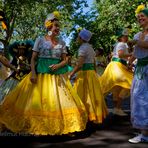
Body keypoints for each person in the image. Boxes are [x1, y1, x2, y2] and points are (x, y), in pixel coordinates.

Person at [0, 11, 87, 135]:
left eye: (59, 26)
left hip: (56, 78)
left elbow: (65, 60)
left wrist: (58, 65)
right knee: (38, 102)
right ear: (49, 26)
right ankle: (39, 127)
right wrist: (33, 73)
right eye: (56, 25)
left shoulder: (62, 42)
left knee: (57, 103)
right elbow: (33, 59)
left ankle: (58, 127)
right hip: (40, 75)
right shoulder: (40, 40)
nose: (58, 28)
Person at [69, 29, 108, 124]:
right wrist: (95, 73)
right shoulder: (90, 47)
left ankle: (85, 115)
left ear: (81, 38)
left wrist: (71, 73)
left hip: (85, 73)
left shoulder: (82, 48)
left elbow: (80, 65)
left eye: (78, 36)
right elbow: (94, 63)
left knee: (83, 94)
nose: (77, 38)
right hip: (91, 73)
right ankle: (93, 115)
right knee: (92, 94)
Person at [99, 28, 133, 116]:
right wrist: (132, 54)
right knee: (129, 83)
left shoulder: (118, 44)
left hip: (116, 65)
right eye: (125, 36)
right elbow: (121, 54)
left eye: (127, 36)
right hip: (117, 66)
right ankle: (117, 108)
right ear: (121, 37)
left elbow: (119, 56)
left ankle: (117, 108)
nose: (127, 37)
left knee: (117, 88)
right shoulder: (122, 44)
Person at [128, 5, 148, 143]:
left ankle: (145, 133)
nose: (140, 18)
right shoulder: (137, 35)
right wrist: (130, 61)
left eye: (143, 16)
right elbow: (136, 51)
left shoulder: (139, 38)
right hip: (140, 69)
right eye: (138, 17)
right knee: (139, 97)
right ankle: (144, 132)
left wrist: (136, 42)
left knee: (143, 97)